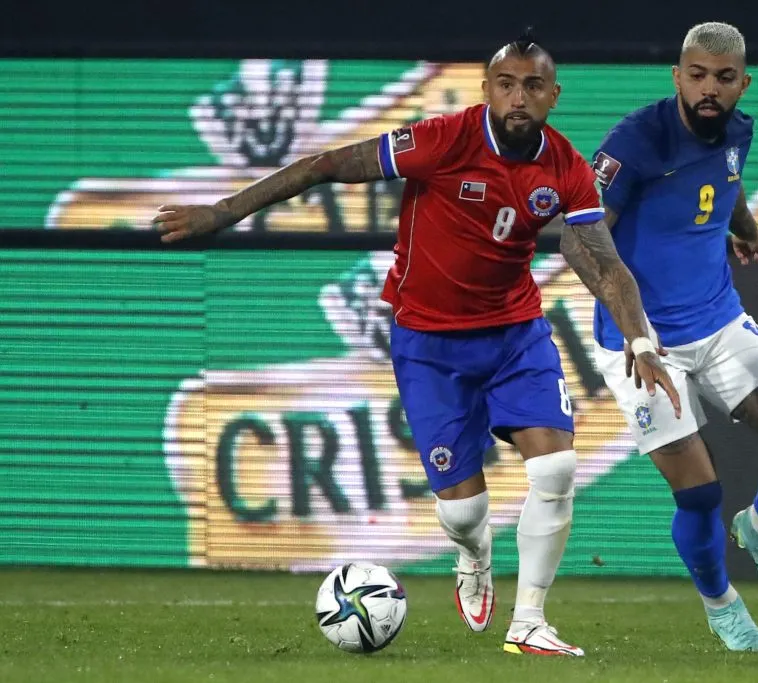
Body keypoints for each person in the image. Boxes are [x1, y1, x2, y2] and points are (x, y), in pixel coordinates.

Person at [153, 30, 681, 657]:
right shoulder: (443, 139)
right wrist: (223, 212)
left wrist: (641, 342)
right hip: (429, 343)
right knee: (462, 514)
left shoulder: (565, 167)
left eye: (532, 86)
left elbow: (605, 263)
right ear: (486, 90)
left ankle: (530, 621)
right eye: (506, 85)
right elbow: (325, 166)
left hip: (514, 334)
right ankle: (473, 554)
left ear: (553, 95)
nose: (518, 97)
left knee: (556, 469)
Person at [589, 21, 758, 652]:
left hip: (718, 320)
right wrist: (637, 334)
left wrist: (745, 229)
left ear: (743, 83)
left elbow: (726, 180)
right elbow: (581, 238)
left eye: (723, 78)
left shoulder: (739, 131)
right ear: (678, 77)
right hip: (640, 344)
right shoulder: (634, 142)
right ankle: (722, 607)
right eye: (697, 75)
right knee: (699, 493)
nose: (709, 89)